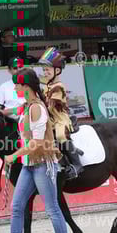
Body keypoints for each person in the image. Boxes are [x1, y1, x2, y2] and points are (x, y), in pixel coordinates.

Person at [0, 68, 72, 233]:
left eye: (17, 85)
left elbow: (36, 142)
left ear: (26, 86)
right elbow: (11, 111)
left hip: (43, 163)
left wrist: (13, 156)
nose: (15, 88)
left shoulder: (36, 109)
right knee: (17, 206)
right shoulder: (26, 106)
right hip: (29, 165)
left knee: (52, 208)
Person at [38, 47, 84, 180]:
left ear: (57, 71)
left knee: (60, 135)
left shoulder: (58, 87)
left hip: (60, 118)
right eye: (44, 70)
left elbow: (51, 105)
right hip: (50, 118)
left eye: (47, 70)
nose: (45, 73)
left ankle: (77, 164)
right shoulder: (47, 85)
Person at [0, 57, 26, 122]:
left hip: (29, 122)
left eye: (20, 67)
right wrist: (14, 110)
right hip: (11, 123)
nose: (19, 70)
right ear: (9, 70)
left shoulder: (30, 84)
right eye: (15, 68)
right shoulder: (4, 87)